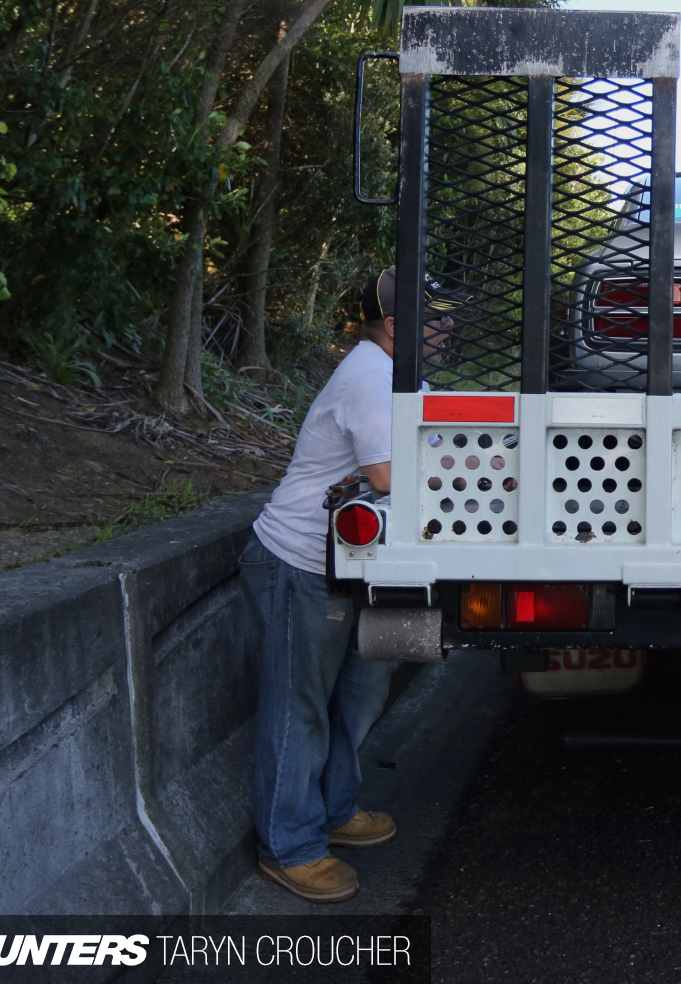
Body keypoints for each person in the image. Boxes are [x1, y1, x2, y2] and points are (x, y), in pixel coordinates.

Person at [242, 267, 403, 903]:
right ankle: (290, 846)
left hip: (354, 562)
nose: (444, 329)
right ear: (394, 325)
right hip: (300, 562)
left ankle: (336, 810)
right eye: (432, 318)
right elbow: (388, 477)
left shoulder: (389, 371)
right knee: (298, 708)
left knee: (360, 694)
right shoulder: (370, 376)